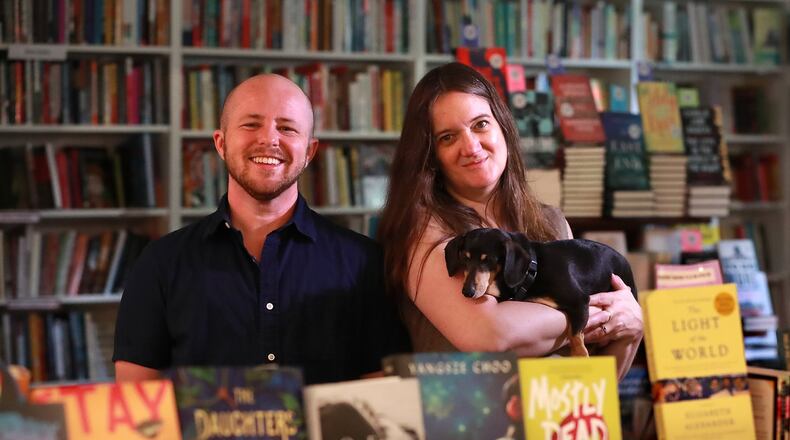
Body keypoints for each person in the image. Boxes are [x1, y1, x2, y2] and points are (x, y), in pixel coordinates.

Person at [113, 74, 410, 384]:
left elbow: (381, 399)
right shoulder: (160, 263)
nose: (269, 139)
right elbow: (137, 404)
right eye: (251, 124)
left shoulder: (364, 263)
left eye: (287, 128)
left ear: (309, 152)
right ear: (221, 143)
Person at [377, 63, 642, 379]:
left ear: (502, 126)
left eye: (480, 124)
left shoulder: (551, 223)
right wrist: (590, 310)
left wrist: (633, 326)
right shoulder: (424, 232)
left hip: (559, 418)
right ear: (430, 156)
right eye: (448, 137)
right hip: (472, 422)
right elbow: (491, 335)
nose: (471, 147)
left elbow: (596, 376)